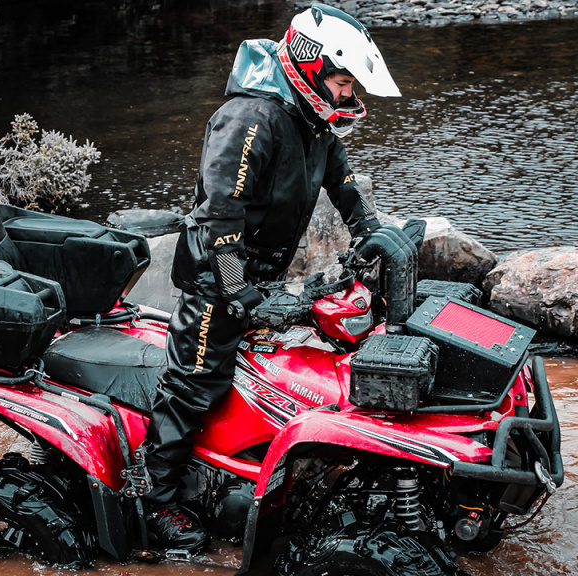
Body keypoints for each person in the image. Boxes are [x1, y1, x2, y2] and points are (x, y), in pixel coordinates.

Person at [141, 3, 403, 551]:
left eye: (353, 84)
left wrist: (370, 230)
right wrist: (240, 294)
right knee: (195, 383)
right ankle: (157, 503)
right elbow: (218, 220)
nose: (349, 95)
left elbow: (343, 179)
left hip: (263, 275)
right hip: (219, 277)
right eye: (342, 81)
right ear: (309, 67)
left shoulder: (312, 120)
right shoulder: (249, 120)